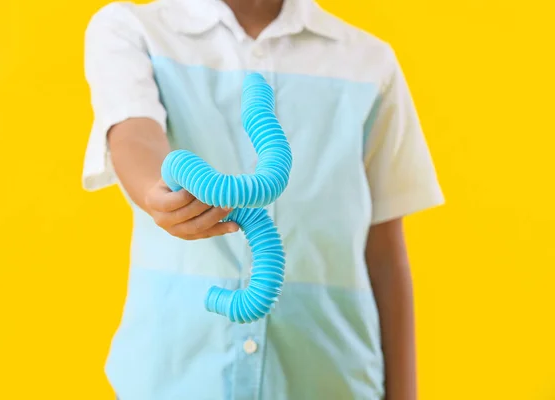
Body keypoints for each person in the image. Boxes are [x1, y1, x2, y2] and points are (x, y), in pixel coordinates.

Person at [81, 0, 444, 398]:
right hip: (173, 379)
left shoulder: (370, 63)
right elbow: (133, 133)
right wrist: (157, 189)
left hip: (333, 379)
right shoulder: (133, 28)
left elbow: (386, 256)